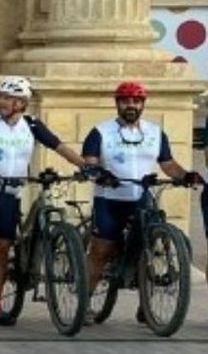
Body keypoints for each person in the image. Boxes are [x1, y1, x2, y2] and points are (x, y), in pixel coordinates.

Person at [0, 75, 86, 327]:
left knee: (1, 251)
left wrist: (84, 165)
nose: (2, 102)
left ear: (22, 103)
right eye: (1, 97)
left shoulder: (32, 125)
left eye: (9, 98)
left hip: (10, 197)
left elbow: (58, 146)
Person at [82, 81, 201, 318]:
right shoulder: (100, 131)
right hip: (110, 199)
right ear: (117, 104)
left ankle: (145, 305)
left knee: (147, 246)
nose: (131, 105)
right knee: (102, 251)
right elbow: (90, 161)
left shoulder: (155, 132)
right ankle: (84, 301)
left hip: (141, 197)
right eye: (125, 101)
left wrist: (186, 175)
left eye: (136, 101)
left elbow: (168, 164)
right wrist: (99, 174)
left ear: (142, 104)